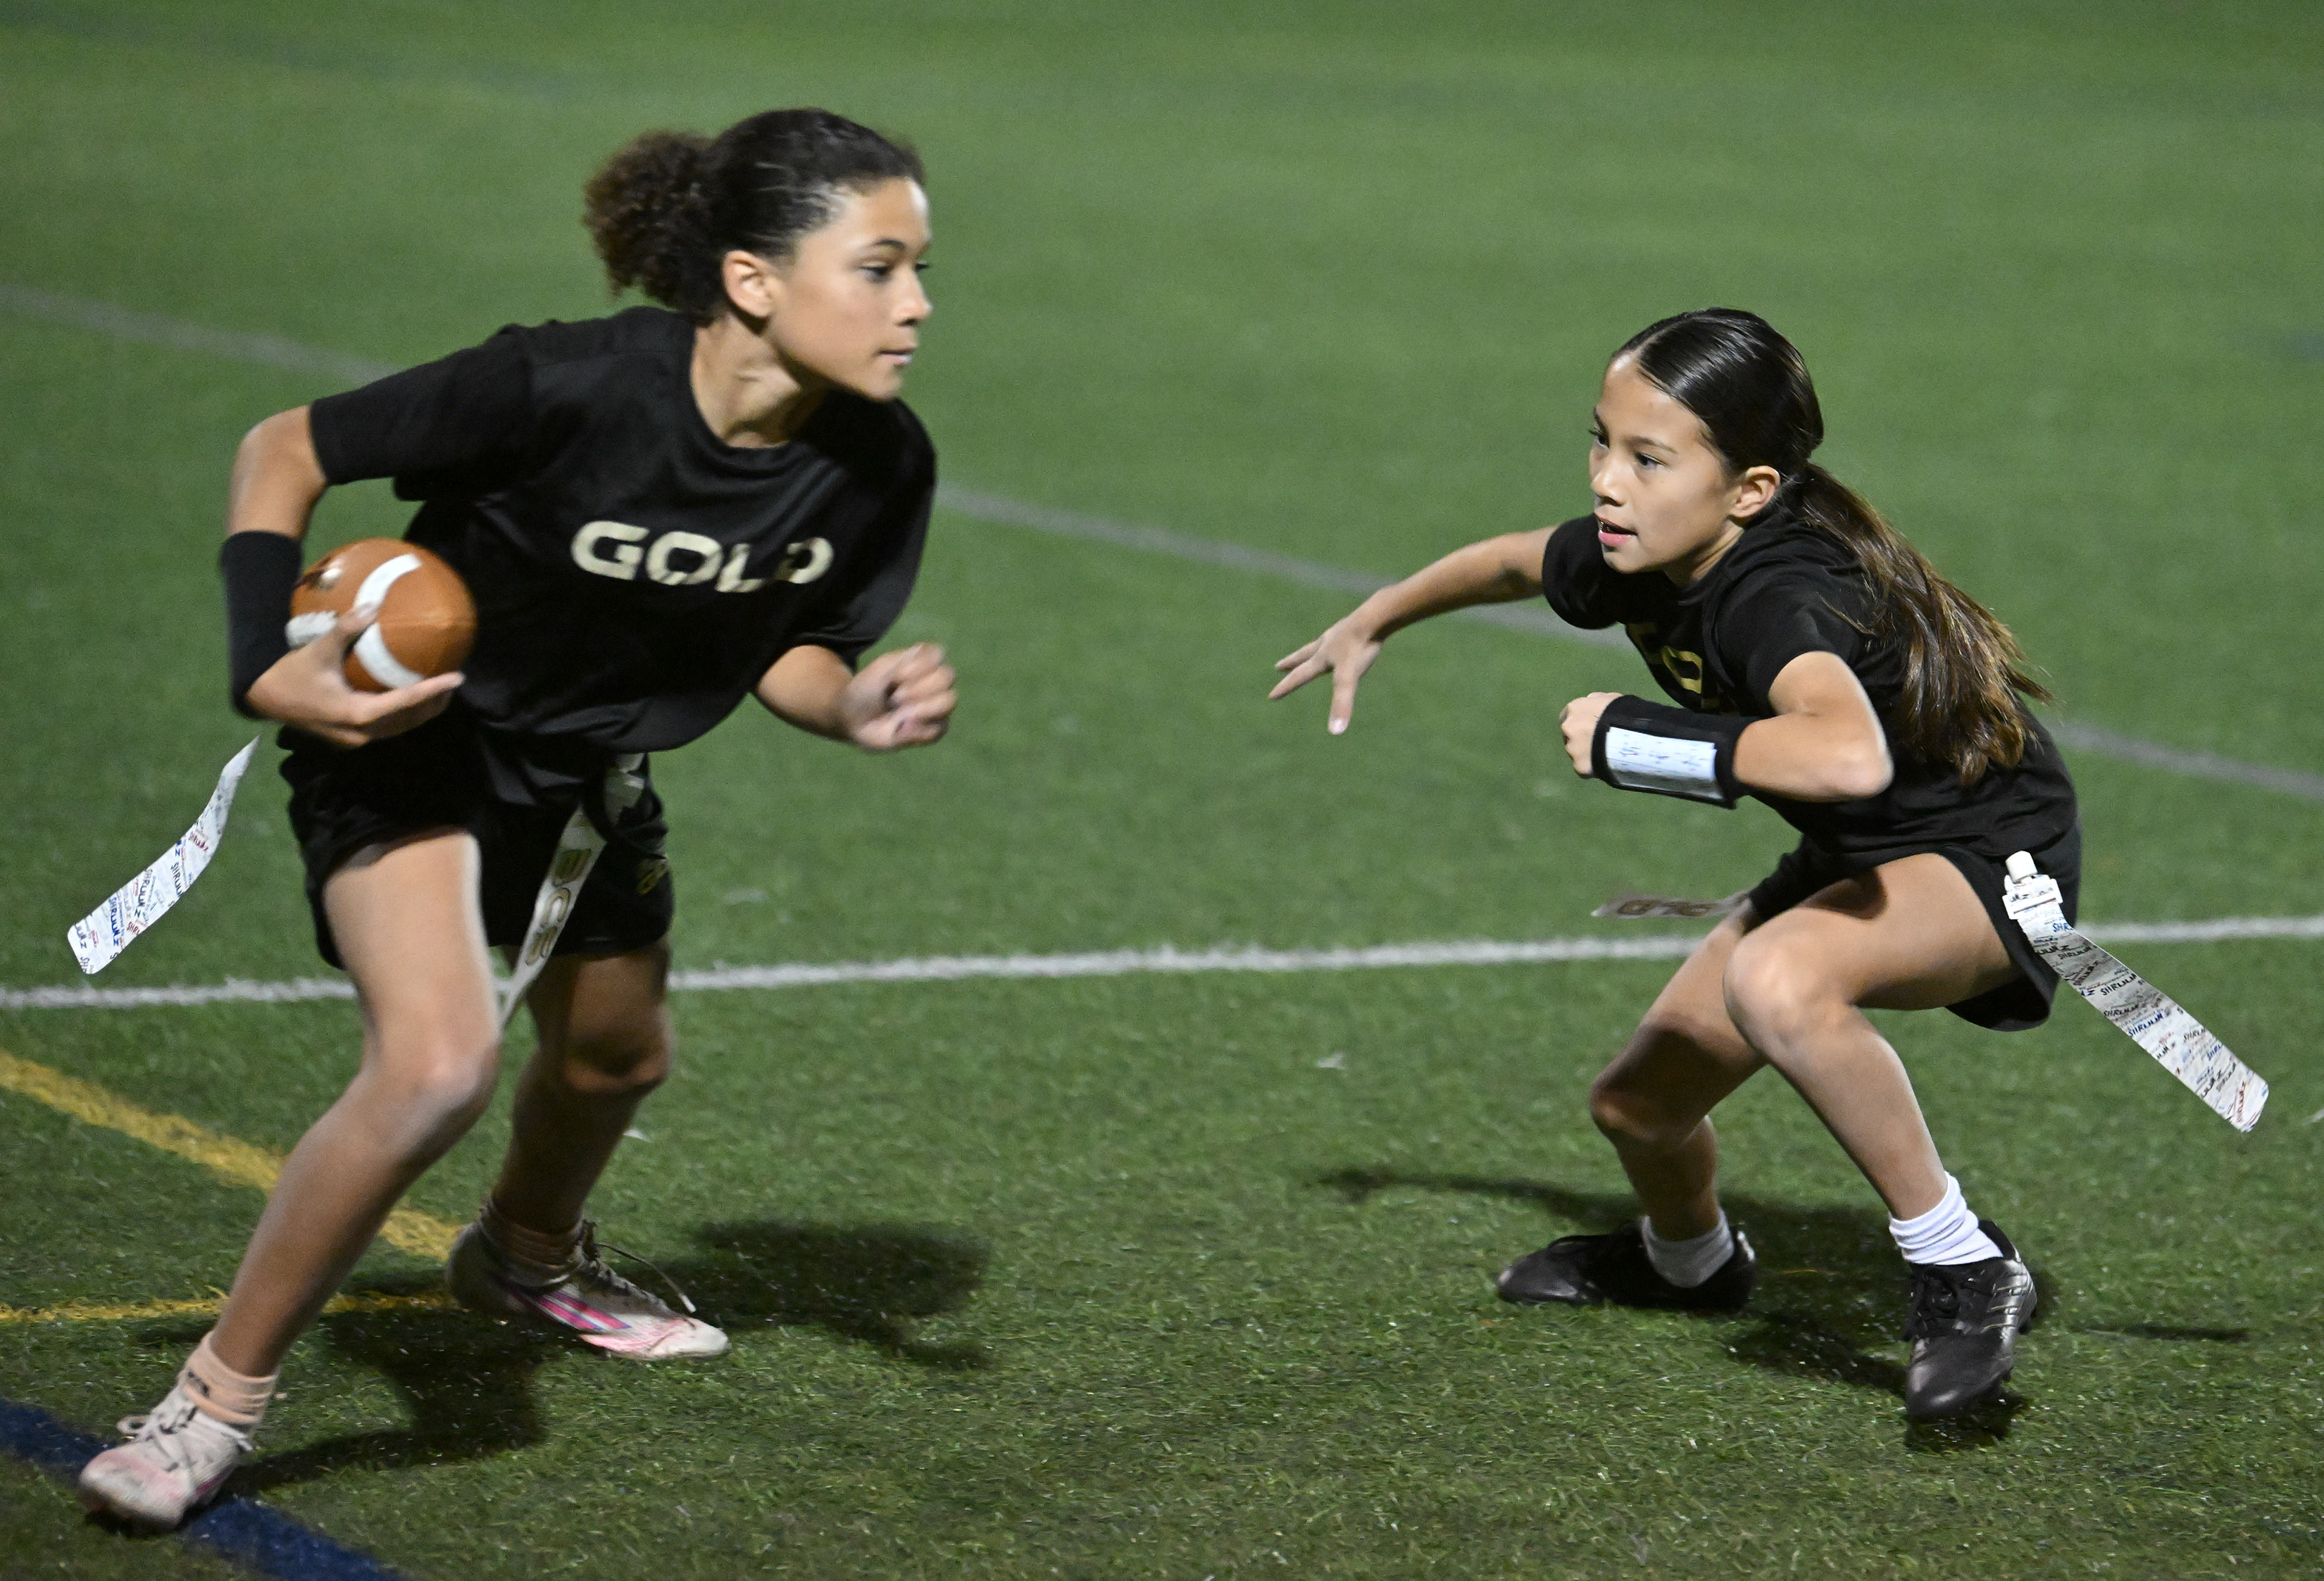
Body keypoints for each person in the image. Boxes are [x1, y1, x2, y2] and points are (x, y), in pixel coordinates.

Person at [80, 108, 956, 1529]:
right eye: (879, 266)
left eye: (920, 267)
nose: (917, 303)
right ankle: (209, 1405)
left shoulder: (875, 463)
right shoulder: (559, 385)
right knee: (436, 1068)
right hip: (419, 749)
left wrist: (855, 707)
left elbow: (782, 643)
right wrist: (264, 662)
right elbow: (285, 447)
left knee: (615, 1060)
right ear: (751, 280)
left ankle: (524, 1259)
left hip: (585, 788)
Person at [1271, 308, 2074, 1422]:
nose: (1609, 480)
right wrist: (1380, 617)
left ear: (1748, 489)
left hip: (1987, 855)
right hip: (1862, 846)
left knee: (1778, 978)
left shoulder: (1775, 592)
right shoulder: (1643, 551)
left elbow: (1846, 754)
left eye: (1648, 459)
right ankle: (1688, 1263)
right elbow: (1511, 561)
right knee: (1638, 1109)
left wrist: (1636, 740)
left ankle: (1962, 1262)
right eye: (1601, 441)